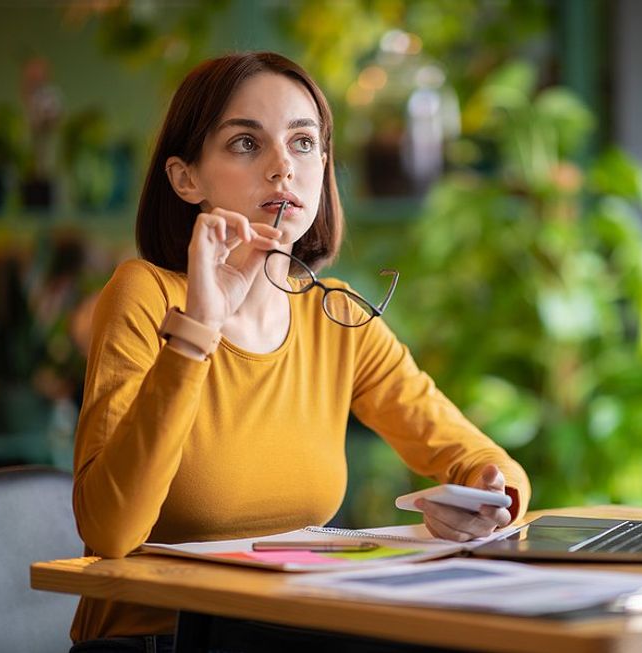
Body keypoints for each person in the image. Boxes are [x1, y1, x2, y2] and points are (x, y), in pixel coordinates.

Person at [69, 51, 531, 652]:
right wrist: (198, 330)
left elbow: (482, 459)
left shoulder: (335, 315)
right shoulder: (144, 296)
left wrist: (490, 501)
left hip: (295, 632)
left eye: (304, 142)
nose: (283, 167)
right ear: (186, 179)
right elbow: (110, 529)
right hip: (158, 643)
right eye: (244, 144)